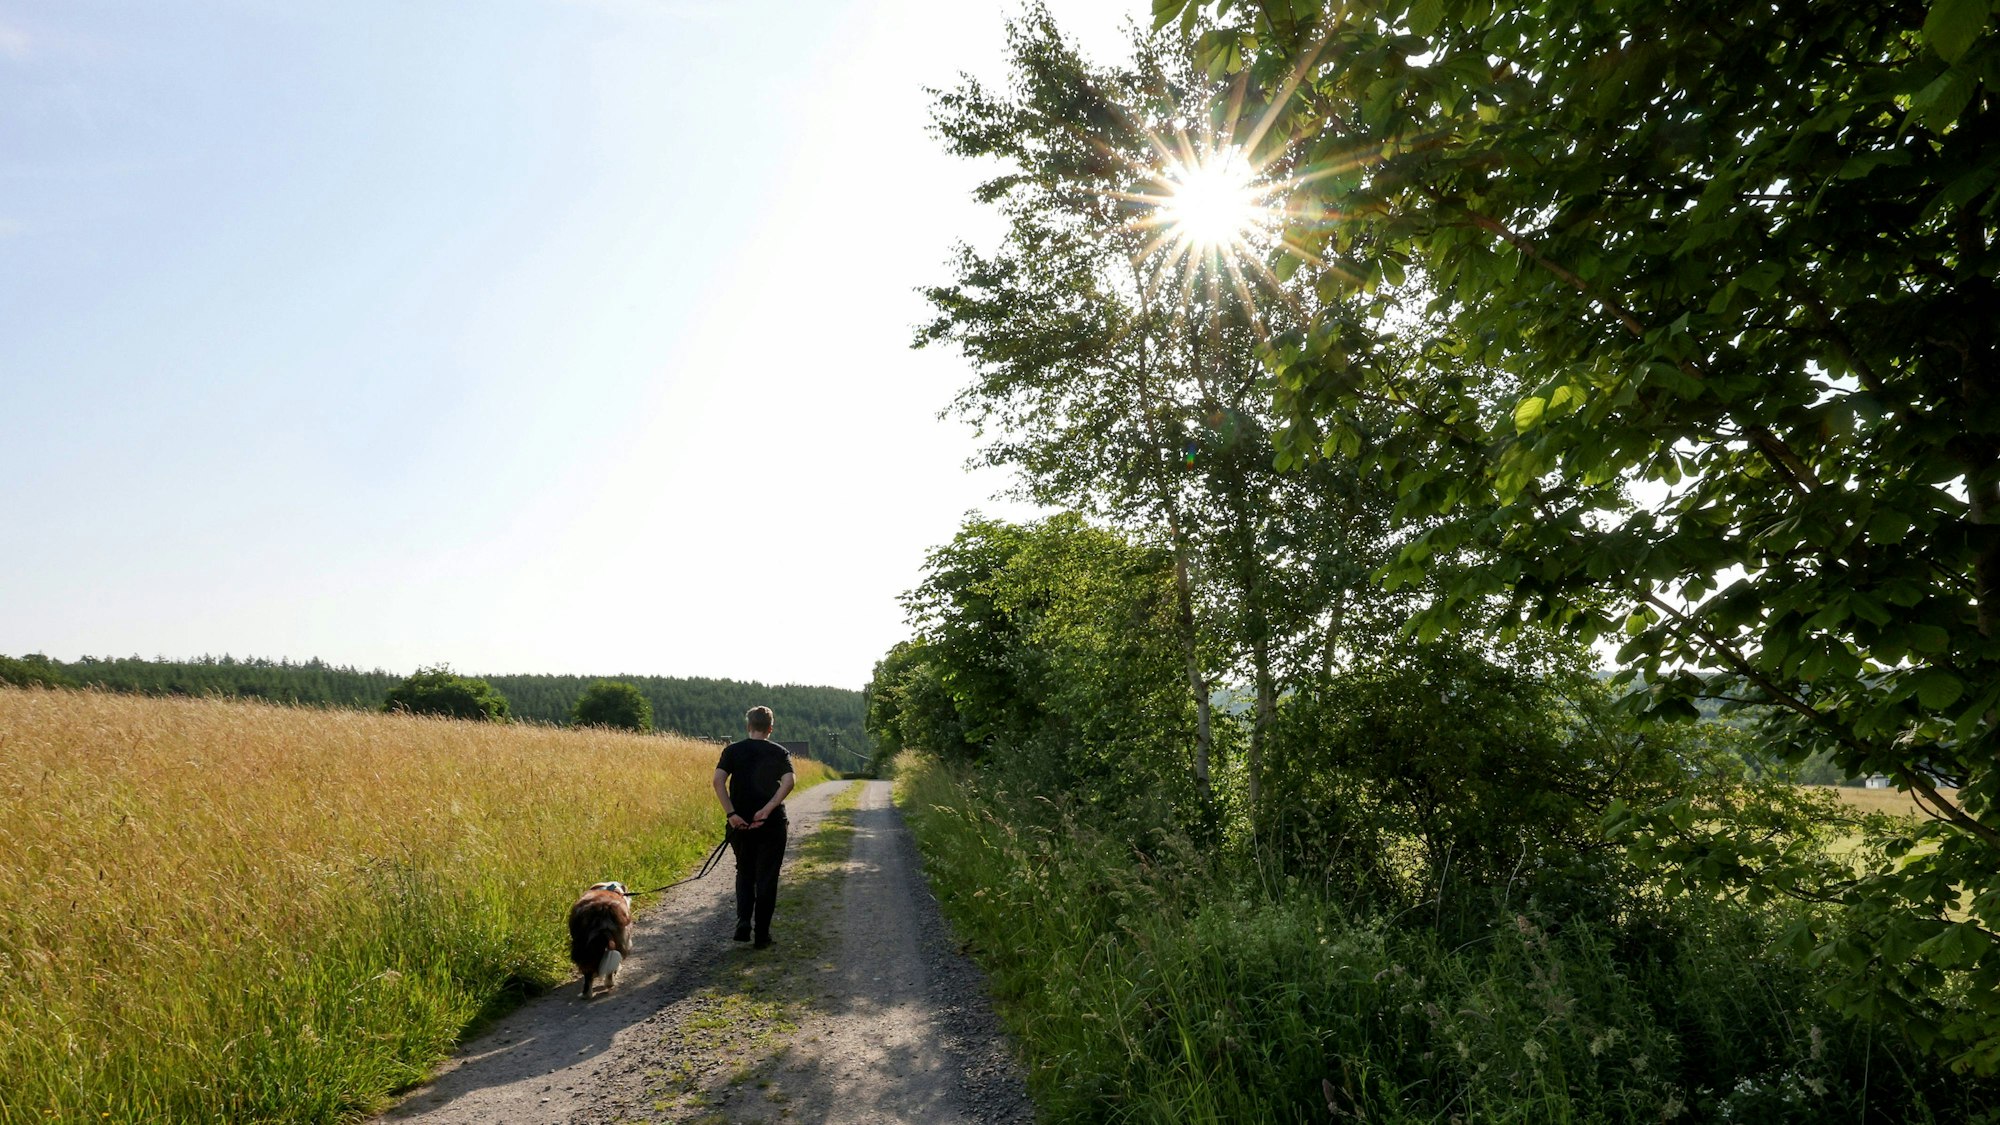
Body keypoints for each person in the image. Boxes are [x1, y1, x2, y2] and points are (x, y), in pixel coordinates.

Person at [711, 705, 795, 949]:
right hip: (771, 825)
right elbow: (789, 781)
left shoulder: (732, 751)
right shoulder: (780, 752)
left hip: (741, 824)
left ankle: (743, 921)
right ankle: (762, 935)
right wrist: (768, 810)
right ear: (770, 728)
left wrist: (732, 814)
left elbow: (718, 781)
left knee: (745, 872)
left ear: (749, 726)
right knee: (767, 877)